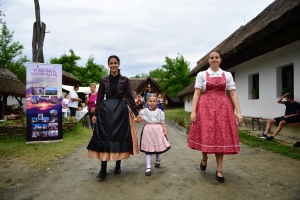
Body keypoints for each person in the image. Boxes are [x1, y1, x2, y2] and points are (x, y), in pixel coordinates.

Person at [188, 49, 243, 183]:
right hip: (205, 107)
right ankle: (204, 158)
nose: (214, 60)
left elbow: (233, 93)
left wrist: (239, 112)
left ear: (220, 59)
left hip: (222, 109)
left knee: (220, 138)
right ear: (208, 60)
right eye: (211, 58)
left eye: (216, 57)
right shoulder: (202, 74)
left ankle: (219, 170)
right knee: (206, 135)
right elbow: (196, 93)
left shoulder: (227, 74)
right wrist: (193, 111)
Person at [87, 55, 141, 179]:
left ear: (119, 64)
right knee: (105, 137)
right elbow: (99, 98)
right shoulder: (104, 80)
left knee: (119, 136)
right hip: (106, 112)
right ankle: (103, 169)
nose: (113, 65)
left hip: (121, 111)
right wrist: (95, 114)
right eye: (111, 63)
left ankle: (118, 165)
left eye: (115, 63)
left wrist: (136, 113)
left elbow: (129, 97)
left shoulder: (125, 80)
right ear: (108, 65)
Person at [138, 93, 170, 176]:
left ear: (157, 102)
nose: (152, 102)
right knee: (148, 149)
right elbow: (138, 118)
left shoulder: (160, 112)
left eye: (154, 101)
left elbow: (162, 122)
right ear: (147, 102)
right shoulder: (144, 111)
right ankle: (148, 167)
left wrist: (165, 130)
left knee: (157, 146)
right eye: (150, 101)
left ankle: (157, 159)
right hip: (148, 131)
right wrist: (136, 119)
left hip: (158, 130)